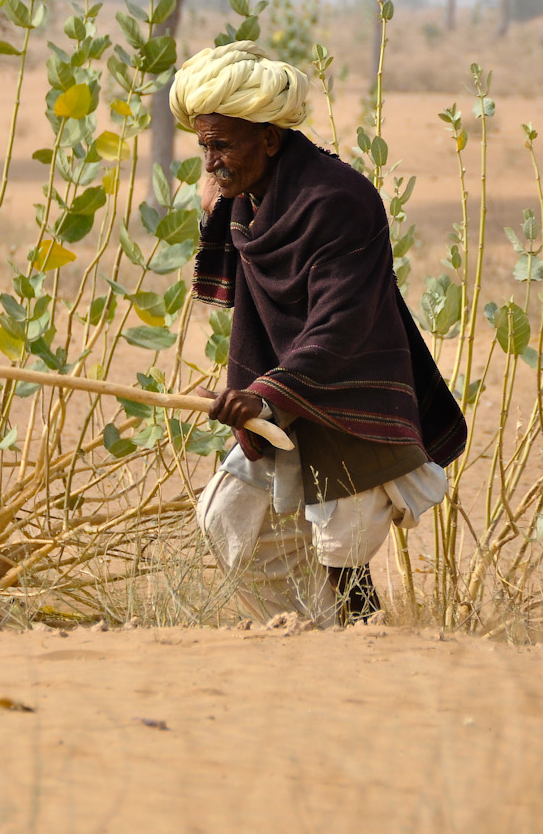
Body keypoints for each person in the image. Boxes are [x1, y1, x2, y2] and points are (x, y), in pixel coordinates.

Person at [173, 41, 468, 626]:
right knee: (227, 520)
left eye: (222, 144)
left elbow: (342, 322)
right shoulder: (245, 200)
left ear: (270, 138)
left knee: (342, 560)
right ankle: (313, 638)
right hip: (285, 400)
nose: (210, 162)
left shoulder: (338, 199)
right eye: (204, 146)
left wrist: (264, 393)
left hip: (351, 400)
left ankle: (362, 652)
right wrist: (254, 393)